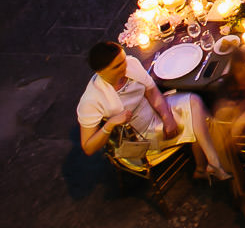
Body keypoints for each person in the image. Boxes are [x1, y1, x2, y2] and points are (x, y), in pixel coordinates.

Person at [77, 41, 228, 180]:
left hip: (154, 111)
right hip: (141, 136)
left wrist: (167, 117)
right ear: (101, 72)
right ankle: (204, 168)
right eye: (117, 66)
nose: (124, 66)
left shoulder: (130, 63)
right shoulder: (91, 100)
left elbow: (152, 92)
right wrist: (109, 125)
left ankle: (211, 164)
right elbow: (89, 148)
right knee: (200, 120)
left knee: (195, 102)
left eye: (123, 60)